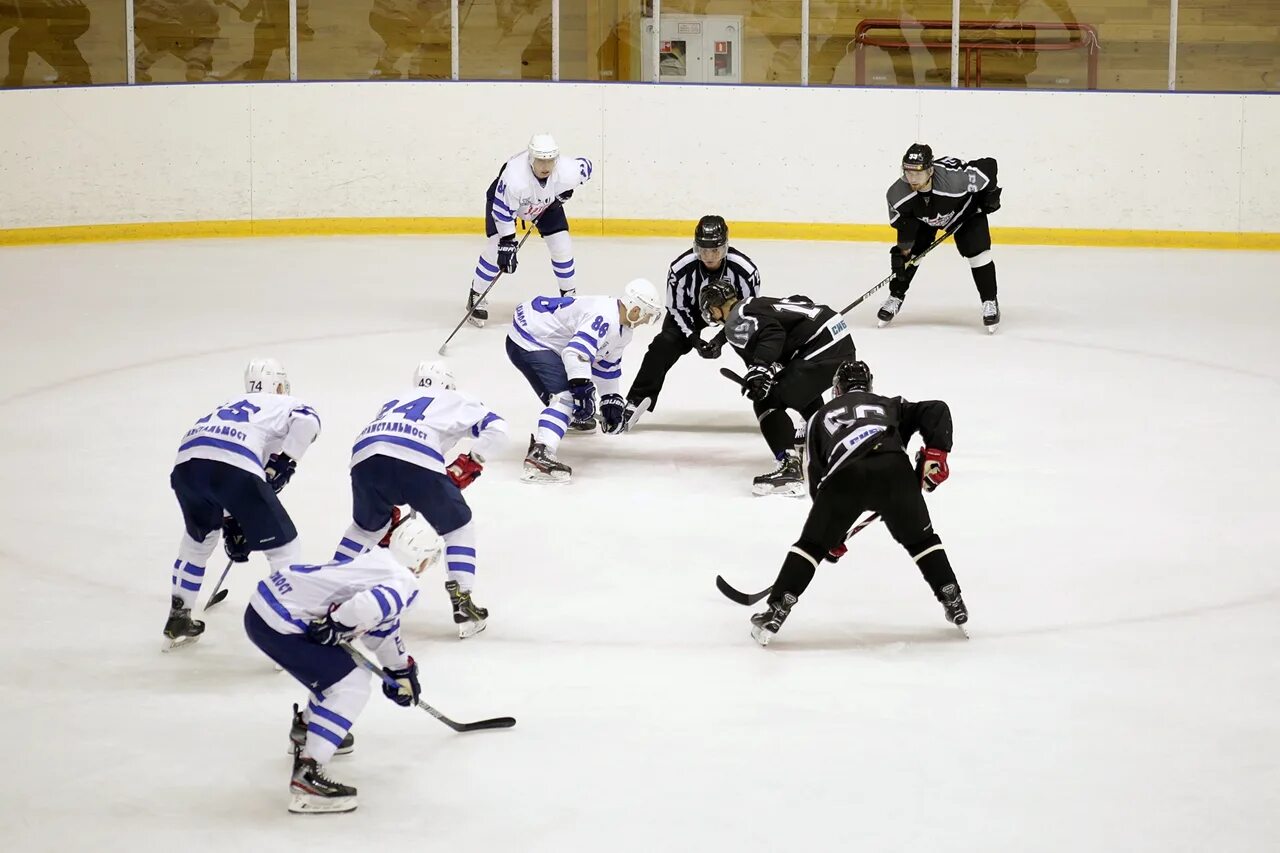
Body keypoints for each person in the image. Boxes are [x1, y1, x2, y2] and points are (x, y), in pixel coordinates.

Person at [748, 359, 968, 646]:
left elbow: (817, 477)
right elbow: (936, 409)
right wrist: (937, 453)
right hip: (895, 470)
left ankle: (777, 609)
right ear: (870, 385)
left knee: (810, 546)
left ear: (836, 389)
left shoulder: (818, 417)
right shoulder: (890, 404)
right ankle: (952, 597)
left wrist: (831, 533)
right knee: (922, 540)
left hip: (845, 476)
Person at [243, 515, 445, 813]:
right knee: (351, 686)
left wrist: (399, 669)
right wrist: (337, 623)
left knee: (339, 673)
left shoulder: (378, 560)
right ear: (423, 560)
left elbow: (381, 629)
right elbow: (370, 606)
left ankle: (307, 729)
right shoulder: (404, 580)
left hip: (266, 607)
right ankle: (307, 777)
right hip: (281, 622)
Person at [331, 360, 507, 638]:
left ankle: (329, 593)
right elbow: (498, 429)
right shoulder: (454, 398)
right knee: (458, 526)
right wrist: (472, 461)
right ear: (448, 384)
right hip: (417, 456)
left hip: (365, 455)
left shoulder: (395, 399)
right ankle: (462, 599)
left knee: (366, 530)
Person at [164, 358, 321, 651]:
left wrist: (230, 519)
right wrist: (287, 462)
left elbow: (220, 469)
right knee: (285, 548)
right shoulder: (285, 404)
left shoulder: (227, 403)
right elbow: (308, 422)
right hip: (232, 466)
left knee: (198, 541)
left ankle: (179, 614)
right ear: (278, 384)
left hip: (186, 466)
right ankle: (285, 630)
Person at [699, 284, 855, 496]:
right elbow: (800, 300)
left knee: (767, 398)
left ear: (715, 309)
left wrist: (760, 369)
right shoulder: (753, 305)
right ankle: (836, 446)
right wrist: (721, 343)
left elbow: (772, 333)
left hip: (821, 349)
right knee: (798, 386)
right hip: (838, 342)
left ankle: (789, 464)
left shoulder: (735, 323)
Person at [506, 279, 663, 483]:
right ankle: (540, 454)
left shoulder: (623, 330)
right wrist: (580, 390)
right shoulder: (605, 317)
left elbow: (606, 367)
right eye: (647, 315)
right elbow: (575, 354)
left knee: (574, 395)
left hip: (541, 335)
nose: (645, 321)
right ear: (635, 309)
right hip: (529, 337)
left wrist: (610, 401)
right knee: (566, 398)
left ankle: (568, 418)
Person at [623, 214, 761, 427]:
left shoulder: (745, 270)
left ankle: (771, 397)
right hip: (691, 313)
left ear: (725, 248)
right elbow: (677, 308)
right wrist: (694, 339)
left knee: (756, 345)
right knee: (663, 344)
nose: (709, 256)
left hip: (731, 313)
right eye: (703, 250)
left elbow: (747, 311)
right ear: (696, 247)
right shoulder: (680, 269)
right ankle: (636, 400)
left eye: (715, 250)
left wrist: (722, 339)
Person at [465, 134, 594, 327]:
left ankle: (569, 298)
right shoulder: (514, 178)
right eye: (540, 161)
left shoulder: (567, 171)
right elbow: (502, 213)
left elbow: (587, 166)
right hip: (507, 204)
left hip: (546, 204)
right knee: (495, 248)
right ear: (530, 158)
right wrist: (508, 243)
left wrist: (567, 191)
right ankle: (476, 295)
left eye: (550, 161)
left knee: (562, 245)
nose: (545, 167)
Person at [879, 143, 1003, 332]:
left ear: (930, 171)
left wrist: (990, 195)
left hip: (965, 214)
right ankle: (895, 296)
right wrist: (903, 256)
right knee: (909, 254)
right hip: (926, 220)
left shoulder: (955, 180)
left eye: (917, 173)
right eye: (908, 172)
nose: (912, 178)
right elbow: (905, 228)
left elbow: (989, 166)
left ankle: (989, 301)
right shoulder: (897, 194)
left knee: (978, 253)